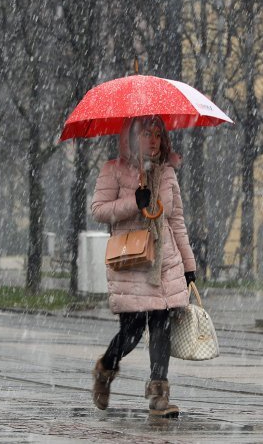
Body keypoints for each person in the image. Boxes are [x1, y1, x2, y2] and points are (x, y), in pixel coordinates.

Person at [90, 115, 196, 418]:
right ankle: (106, 367)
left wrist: (189, 265)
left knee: (161, 324)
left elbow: (176, 222)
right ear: (132, 138)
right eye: (147, 134)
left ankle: (159, 395)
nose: (153, 140)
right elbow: (99, 210)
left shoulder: (167, 174)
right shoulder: (114, 171)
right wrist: (133, 203)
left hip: (164, 262)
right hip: (132, 260)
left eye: (158, 135)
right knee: (133, 330)